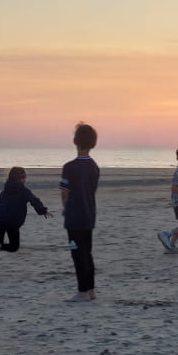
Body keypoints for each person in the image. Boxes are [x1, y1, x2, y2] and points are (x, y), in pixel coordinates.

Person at [0, 167, 53, 278]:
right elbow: (34, 200)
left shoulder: (5, 189)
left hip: (0, 220)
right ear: (20, 178)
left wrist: (2, 212)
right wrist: (43, 211)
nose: (25, 180)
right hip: (12, 222)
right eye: (24, 178)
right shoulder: (23, 190)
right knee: (14, 246)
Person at [60, 122, 100, 302]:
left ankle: (82, 291)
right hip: (89, 214)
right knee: (88, 252)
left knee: (78, 254)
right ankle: (90, 289)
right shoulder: (94, 167)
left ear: (75, 141)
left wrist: (65, 209)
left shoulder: (69, 167)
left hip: (75, 216)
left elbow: (64, 193)